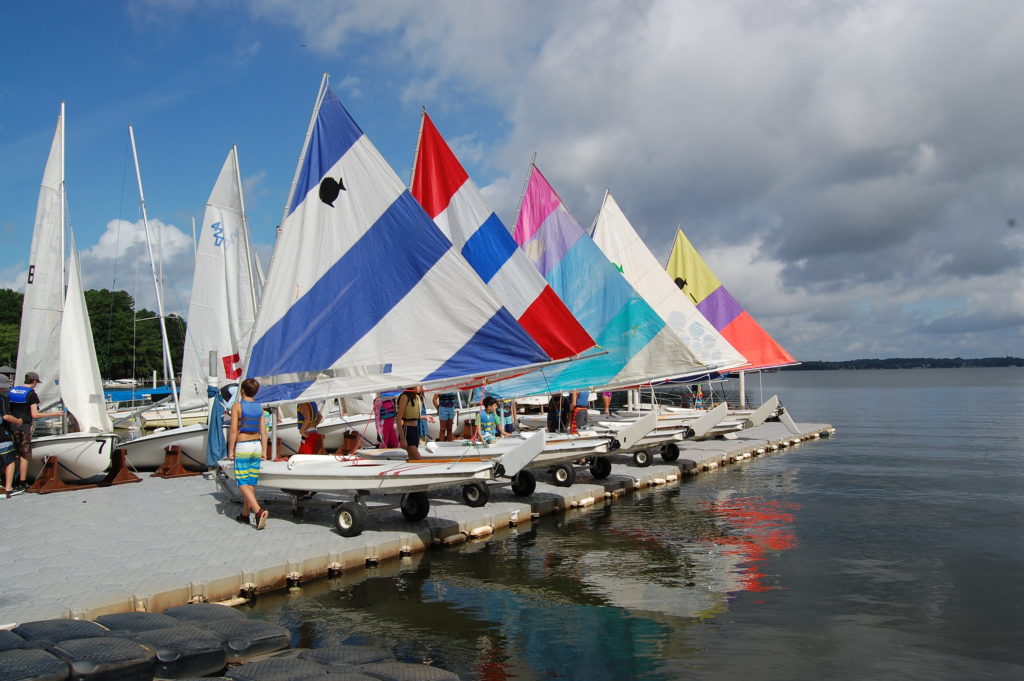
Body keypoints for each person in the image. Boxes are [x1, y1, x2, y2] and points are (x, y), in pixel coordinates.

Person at [7, 371, 61, 492]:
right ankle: (22, 483)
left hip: (11, 426)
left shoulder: (12, 391)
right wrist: (55, 414)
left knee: (12, 454)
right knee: (24, 455)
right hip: (23, 427)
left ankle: (8, 481)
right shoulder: (31, 394)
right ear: (34, 381)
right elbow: (34, 414)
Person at [227, 378, 270, 529]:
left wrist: (230, 450)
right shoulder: (259, 408)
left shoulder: (237, 406)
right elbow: (264, 432)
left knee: (241, 480)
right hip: (257, 445)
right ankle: (245, 514)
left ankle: (258, 511)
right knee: (251, 481)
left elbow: (233, 430)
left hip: (243, 445)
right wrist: (264, 451)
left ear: (242, 391)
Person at [1, 374, 26, 498]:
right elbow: (5, 416)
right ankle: (8, 488)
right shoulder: (2, 399)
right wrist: (18, 421)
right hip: (2, 434)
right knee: (9, 460)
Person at [396, 387, 423, 460]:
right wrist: (402, 439)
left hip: (415, 430)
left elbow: (413, 415)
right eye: (418, 385)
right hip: (407, 431)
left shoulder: (417, 397)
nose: (420, 387)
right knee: (418, 460)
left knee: (413, 459)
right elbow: (398, 419)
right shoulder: (405, 397)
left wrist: (425, 417)